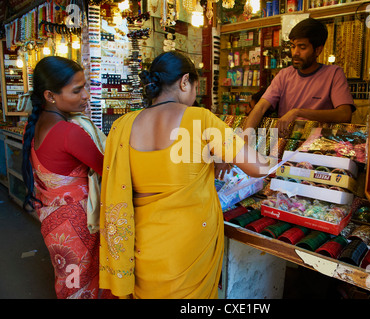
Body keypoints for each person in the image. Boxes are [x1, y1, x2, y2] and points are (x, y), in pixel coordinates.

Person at [99, 51, 271, 298]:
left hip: (143, 246)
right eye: (195, 88)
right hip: (188, 250)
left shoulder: (122, 126)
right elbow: (259, 168)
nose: (194, 96)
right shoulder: (199, 119)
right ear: (184, 81)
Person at [21, 56, 112, 299]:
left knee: (69, 281)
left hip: (53, 222)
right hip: (78, 225)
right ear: (50, 96)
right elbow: (109, 169)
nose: (86, 95)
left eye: (85, 87)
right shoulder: (68, 132)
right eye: (77, 90)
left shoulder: (36, 125)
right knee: (84, 282)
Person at [244, 18, 355, 137]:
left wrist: (298, 112)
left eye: (302, 47)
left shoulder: (333, 74)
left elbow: (345, 114)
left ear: (318, 50)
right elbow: (260, 107)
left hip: (317, 148)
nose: (295, 53)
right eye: (292, 46)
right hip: (284, 145)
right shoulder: (284, 75)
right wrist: (243, 140)